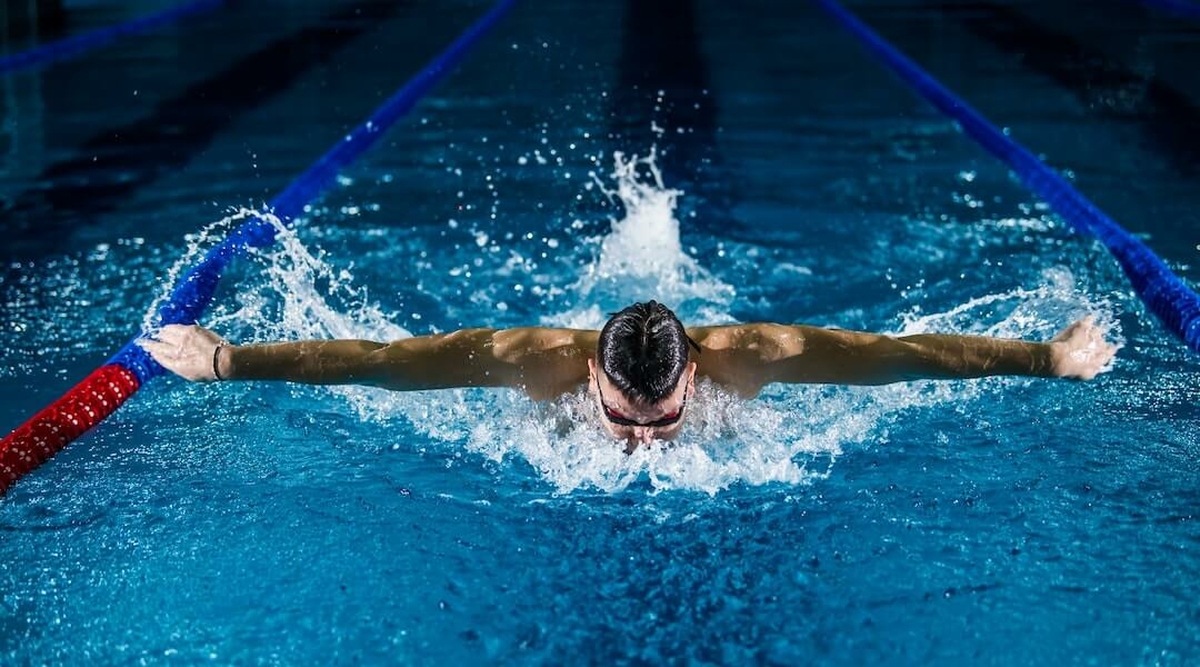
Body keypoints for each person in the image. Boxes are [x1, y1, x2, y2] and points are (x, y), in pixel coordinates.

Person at [139, 301, 1117, 451]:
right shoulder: (534, 362)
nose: (640, 442)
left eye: (660, 418)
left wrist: (1048, 358)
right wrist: (226, 360)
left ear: (697, 368)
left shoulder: (757, 355)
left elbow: (904, 355)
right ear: (591, 377)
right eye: (622, 415)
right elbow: (385, 365)